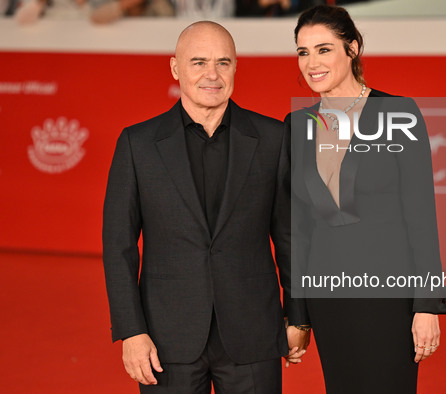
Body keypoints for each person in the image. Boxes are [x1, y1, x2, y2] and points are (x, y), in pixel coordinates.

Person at [102, 21, 310, 393]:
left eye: (223, 63)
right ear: (175, 68)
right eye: (198, 62)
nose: (211, 75)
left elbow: (291, 236)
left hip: (253, 333)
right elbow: (118, 247)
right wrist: (131, 330)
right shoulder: (138, 144)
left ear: (235, 68)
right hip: (167, 339)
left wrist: (299, 316)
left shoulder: (273, 138)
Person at [286, 5, 446, 393]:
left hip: (387, 300)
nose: (311, 63)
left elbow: (421, 218)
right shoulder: (297, 126)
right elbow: (299, 228)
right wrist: (298, 314)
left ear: (353, 48)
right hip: (328, 301)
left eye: (324, 49)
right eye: (303, 52)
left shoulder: (398, 113)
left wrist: (427, 304)